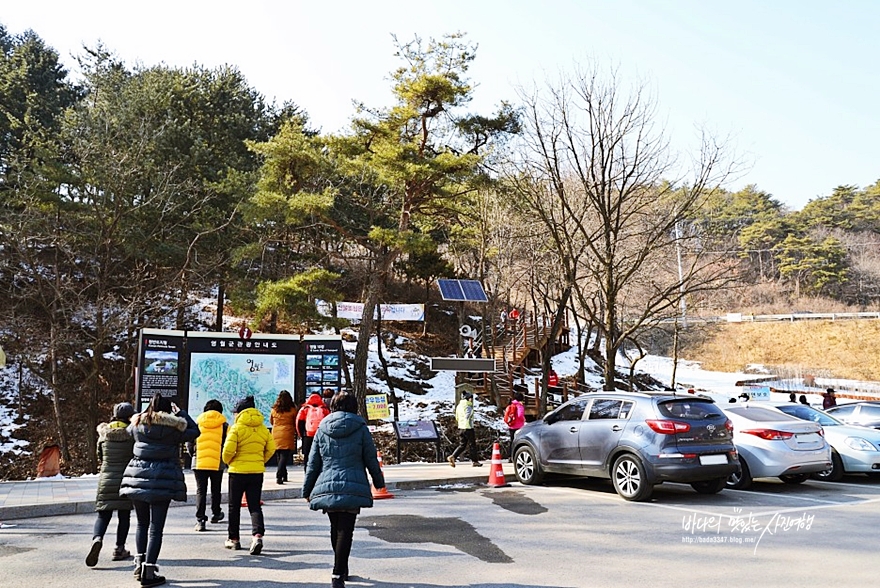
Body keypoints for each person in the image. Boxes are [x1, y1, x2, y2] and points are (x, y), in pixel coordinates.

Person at [302, 391, 386, 588]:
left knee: (335, 527)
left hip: (328, 483)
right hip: (353, 483)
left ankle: (340, 568)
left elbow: (313, 463)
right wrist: (378, 481)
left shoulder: (322, 428)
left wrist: (307, 490)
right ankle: (338, 572)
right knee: (346, 530)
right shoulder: (360, 428)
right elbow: (370, 457)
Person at [120, 393, 199, 587]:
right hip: (162, 480)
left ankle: (139, 563)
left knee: (141, 524)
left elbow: (128, 430)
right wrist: (180, 412)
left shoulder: (137, 425)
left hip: (137, 478)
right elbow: (195, 431)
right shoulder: (173, 430)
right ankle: (149, 570)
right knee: (156, 528)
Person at [222, 395, 275, 555]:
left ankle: (234, 539)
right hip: (256, 472)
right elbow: (271, 449)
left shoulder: (236, 428)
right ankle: (257, 535)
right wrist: (260, 461)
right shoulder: (263, 428)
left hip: (237, 472)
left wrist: (229, 462)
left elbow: (227, 451)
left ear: (240, 412)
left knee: (234, 506)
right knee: (254, 505)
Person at [87, 402, 135, 568]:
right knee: (124, 515)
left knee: (103, 514)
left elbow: (100, 456)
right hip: (125, 479)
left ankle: (97, 538)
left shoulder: (103, 434)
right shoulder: (132, 435)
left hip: (106, 479)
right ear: (129, 417)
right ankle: (119, 548)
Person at [190, 399, 227, 532]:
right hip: (217, 462)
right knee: (215, 489)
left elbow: (190, 442)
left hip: (199, 461)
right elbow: (227, 443)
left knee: (201, 490)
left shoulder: (197, 423)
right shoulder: (224, 425)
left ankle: (200, 520)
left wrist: (193, 455)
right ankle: (216, 514)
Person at [447, 391, 482, 467]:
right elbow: (468, 415)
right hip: (468, 427)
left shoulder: (459, 406)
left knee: (462, 445)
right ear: (469, 399)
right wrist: (469, 420)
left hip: (461, 427)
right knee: (472, 445)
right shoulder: (468, 406)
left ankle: (453, 456)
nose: (472, 400)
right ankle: (475, 461)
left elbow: (457, 417)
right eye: (471, 398)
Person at [270, 390, 297, 485]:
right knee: (284, 456)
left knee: (279, 456)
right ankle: (279, 476)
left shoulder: (274, 409)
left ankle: (284, 475)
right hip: (287, 433)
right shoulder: (293, 409)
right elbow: (295, 422)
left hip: (276, 433)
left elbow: (271, 421)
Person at [297, 393, 330, 467]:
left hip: (307, 435)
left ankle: (307, 471)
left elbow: (299, 423)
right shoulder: (324, 409)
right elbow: (328, 422)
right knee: (320, 454)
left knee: (307, 455)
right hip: (321, 435)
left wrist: (301, 435)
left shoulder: (304, 409)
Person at [503, 392, 526, 462]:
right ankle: (517, 455)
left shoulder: (511, 404)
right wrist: (524, 419)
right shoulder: (519, 405)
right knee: (519, 441)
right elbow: (520, 415)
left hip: (511, 426)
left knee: (512, 441)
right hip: (518, 426)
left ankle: (510, 456)